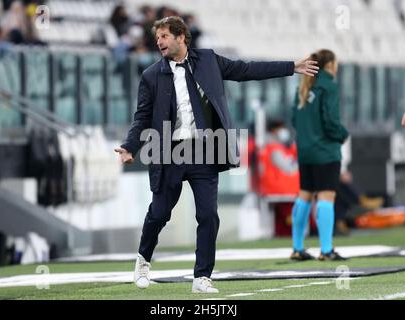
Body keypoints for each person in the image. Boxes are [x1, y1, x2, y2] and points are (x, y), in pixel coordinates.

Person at [115, 16, 319, 293]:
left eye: (164, 36)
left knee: (208, 214)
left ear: (181, 37)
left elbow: (246, 69)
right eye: (158, 37)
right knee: (160, 213)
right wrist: (129, 146)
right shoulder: (151, 75)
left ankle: (202, 278)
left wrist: (290, 67)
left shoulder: (209, 60)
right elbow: (142, 117)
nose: (159, 42)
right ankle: (143, 261)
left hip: (204, 150)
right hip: (169, 152)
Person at [290, 49, 349, 261]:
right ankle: (326, 250)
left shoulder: (303, 86)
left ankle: (297, 247)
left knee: (305, 195)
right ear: (330, 65)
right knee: (326, 197)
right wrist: (342, 134)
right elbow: (331, 121)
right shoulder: (329, 85)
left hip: (305, 151)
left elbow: (294, 120)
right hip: (325, 151)